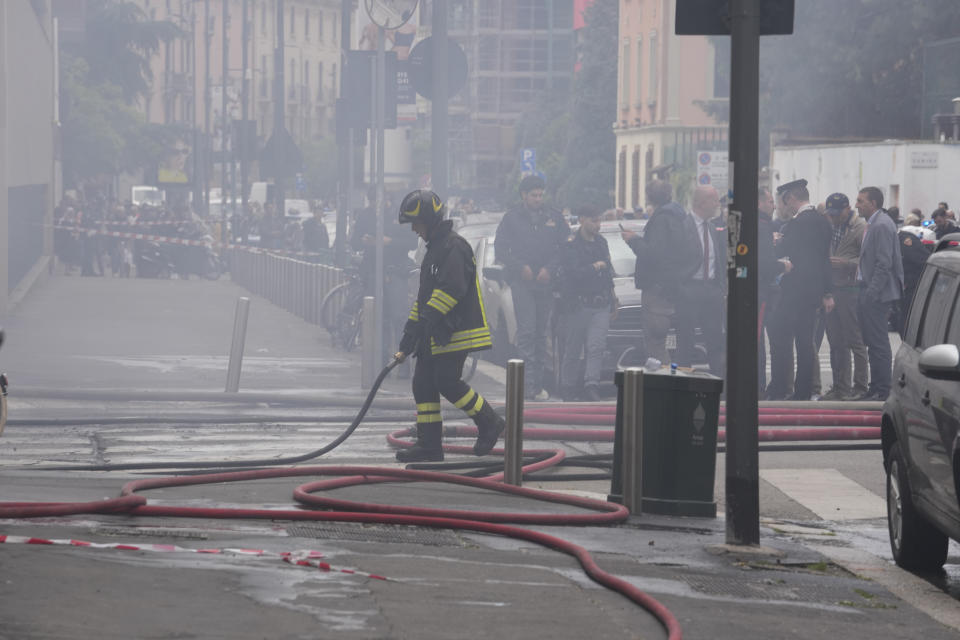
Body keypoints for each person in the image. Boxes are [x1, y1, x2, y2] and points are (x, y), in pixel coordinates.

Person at [393, 190, 505, 462]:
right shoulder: (435, 249)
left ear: (429, 220)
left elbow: (452, 289)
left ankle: (490, 422)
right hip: (436, 332)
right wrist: (411, 331)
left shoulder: (453, 247)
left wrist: (425, 322)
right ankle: (430, 446)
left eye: (416, 223)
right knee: (422, 384)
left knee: (446, 382)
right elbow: (426, 296)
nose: (414, 230)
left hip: (456, 331)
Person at [494, 175, 570, 400]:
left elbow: (565, 247)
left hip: (546, 283)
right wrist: (520, 268)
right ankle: (527, 385)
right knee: (526, 333)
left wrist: (550, 268)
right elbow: (501, 250)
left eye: (540, 194)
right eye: (533, 195)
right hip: (522, 283)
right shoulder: (511, 219)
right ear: (524, 196)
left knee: (540, 335)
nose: (538, 199)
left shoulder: (554, 217)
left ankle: (538, 385)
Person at [767, 179, 834, 401]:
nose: (784, 206)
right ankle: (803, 390)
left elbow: (786, 251)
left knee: (779, 334)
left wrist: (776, 242)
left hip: (794, 290)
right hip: (813, 291)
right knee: (806, 341)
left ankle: (780, 386)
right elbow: (825, 260)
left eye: (785, 201)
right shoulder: (823, 222)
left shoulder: (797, 224)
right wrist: (827, 292)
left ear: (792, 199)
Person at [621, 180, 700, 369]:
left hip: (657, 290)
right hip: (676, 287)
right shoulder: (682, 217)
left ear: (649, 197)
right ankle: (677, 378)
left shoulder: (661, 219)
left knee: (655, 343)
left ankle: (664, 381)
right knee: (681, 343)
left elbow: (653, 254)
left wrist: (633, 240)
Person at [556, 205, 617, 401]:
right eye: (593, 220)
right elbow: (574, 273)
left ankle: (592, 384)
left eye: (599, 220)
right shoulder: (571, 244)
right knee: (573, 348)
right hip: (579, 304)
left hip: (601, 304)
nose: (597, 224)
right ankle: (568, 387)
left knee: (596, 346)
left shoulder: (601, 242)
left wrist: (613, 298)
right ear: (582, 219)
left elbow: (608, 273)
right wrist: (594, 266)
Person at [854, 186, 903, 401]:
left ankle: (882, 389)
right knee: (873, 342)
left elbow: (884, 263)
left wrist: (872, 292)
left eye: (861, 201)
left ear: (873, 203)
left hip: (877, 294)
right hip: (869, 291)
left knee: (879, 342)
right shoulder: (873, 224)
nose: (857, 205)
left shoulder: (881, 225)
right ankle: (875, 387)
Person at [821, 193, 868, 401]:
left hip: (850, 290)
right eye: (830, 213)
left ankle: (860, 386)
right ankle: (840, 386)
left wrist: (847, 264)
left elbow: (868, 260)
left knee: (855, 340)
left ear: (847, 209)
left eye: (837, 213)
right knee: (835, 341)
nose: (834, 217)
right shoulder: (829, 226)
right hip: (832, 289)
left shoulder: (860, 228)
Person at [675, 186, 726, 377]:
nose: (717, 204)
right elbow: (674, 260)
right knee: (685, 342)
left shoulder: (712, 228)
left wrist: (721, 288)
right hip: (689, 290)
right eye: (714, 200)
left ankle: (720, 386)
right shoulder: (683, 226)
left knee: (716, 341)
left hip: (711, 291)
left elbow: (718, 260)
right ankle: (682, 385)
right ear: (701, 202)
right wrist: (680, 288)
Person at [757, 188, 786, 395]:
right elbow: (764, 263)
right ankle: (759, 386)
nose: (773, 205)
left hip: (755, 291)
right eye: (769, 201)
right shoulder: (762, 226)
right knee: (759, 341)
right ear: (759, 203)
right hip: (762, 291)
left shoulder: (757, 224)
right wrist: (782, 266)